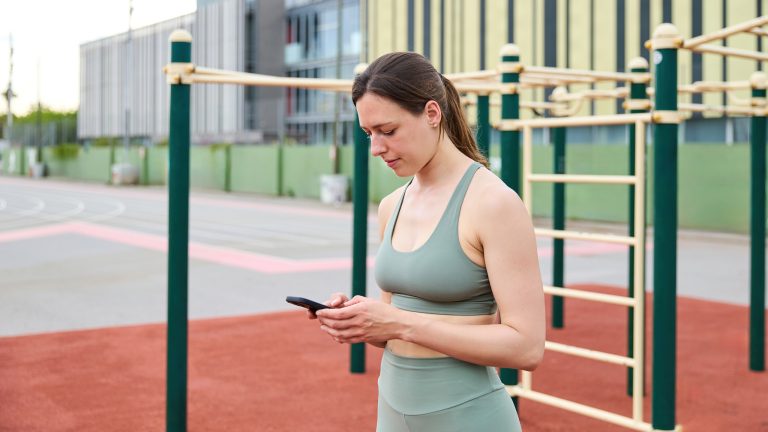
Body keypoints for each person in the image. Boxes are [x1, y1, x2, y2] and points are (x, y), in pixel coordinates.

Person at [312, 52, 545, 432]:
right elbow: (392, 330)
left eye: (388, 131)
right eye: (368, 134)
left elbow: (527, 347)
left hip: (470, 418)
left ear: (432, 113)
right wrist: (360, 320)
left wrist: (400, 323)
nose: (376, 148)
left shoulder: (493, 204)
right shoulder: (391, 206)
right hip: (391, 414)